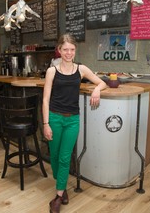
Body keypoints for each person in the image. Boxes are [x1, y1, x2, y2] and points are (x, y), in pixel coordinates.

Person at [42, 34, 107, 213]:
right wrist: (46, 123)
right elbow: (46, 100)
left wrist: (96, 90)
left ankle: (58, 195)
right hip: (54, 118)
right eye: (65, 49)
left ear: (75, 50)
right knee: (54, 156)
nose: (69, 53)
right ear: (59, 50)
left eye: (72, 49)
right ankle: (62, 186)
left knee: (64, 158)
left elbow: (102, 82)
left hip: (72, 120)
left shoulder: (81, 69)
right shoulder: (51, 71)